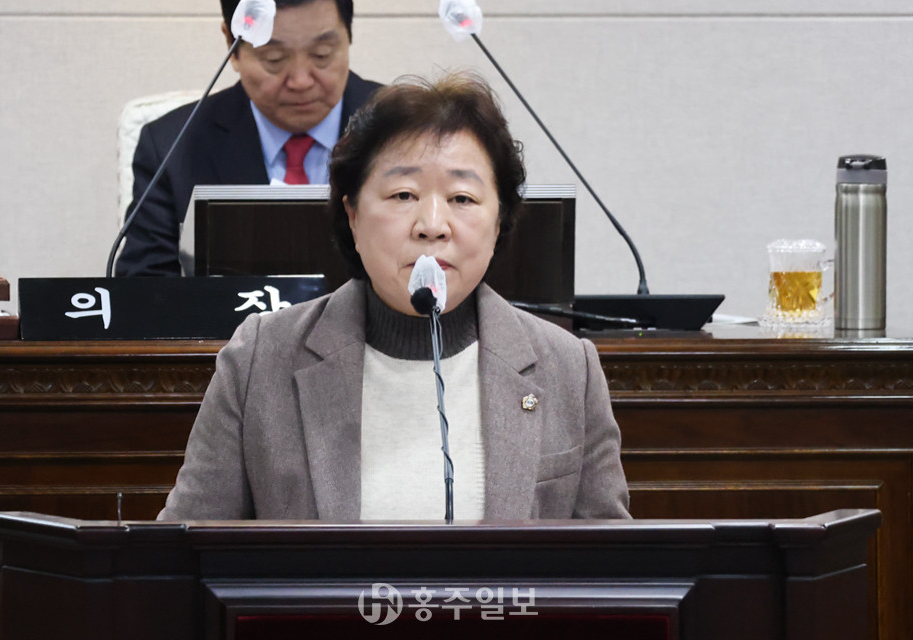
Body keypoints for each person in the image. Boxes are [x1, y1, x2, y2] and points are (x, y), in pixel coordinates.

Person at [159, 72, 630, 521]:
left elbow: (611, 565)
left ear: (499, 220)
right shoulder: (260, 360)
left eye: (462, 198)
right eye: (403, 195)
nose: (432, 225)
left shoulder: (568, 369)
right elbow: (181, 553)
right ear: (353, 215)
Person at [115, 0, 382, 277]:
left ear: (348, 37)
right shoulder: (173, 146)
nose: (301, 81)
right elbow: (144, 288)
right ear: (232, 46)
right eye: (274, 59)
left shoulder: (403, 131)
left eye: (321, 55)